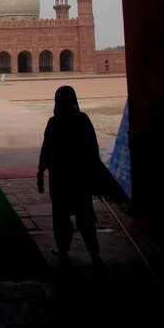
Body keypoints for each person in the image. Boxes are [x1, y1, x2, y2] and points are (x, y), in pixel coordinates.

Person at [37, 85, 103, 269]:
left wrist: (41, 172)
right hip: (80, 175)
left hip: (60, 176)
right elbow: (93, 148)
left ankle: (62, 248)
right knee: (85, 214)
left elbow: (47, 148)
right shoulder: (83, 120)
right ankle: (94, 253)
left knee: (60, 214)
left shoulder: (54, 122)